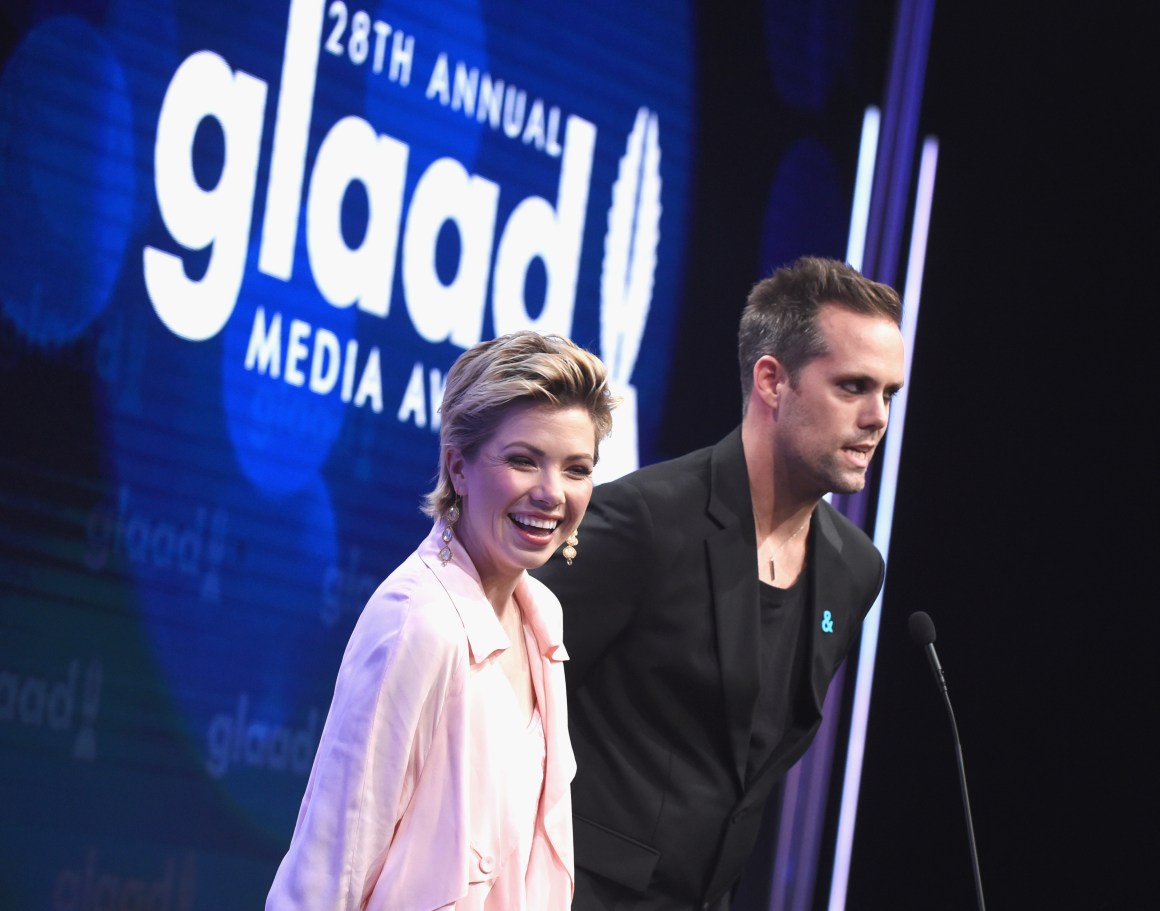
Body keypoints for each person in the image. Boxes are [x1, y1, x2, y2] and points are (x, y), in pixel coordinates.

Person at [533, 256, 906, 910]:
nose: (877, 417)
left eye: (889, 394)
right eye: (853, 387)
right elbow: (511, 702)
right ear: (772, 381)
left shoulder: (854, 572)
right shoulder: (646, 520)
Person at [266, 331, 616, 910]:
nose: (552, 494)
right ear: (458, 467)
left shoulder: (542, 618)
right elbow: (330, 866)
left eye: (576, 469)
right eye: (524, 461)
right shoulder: (417, 623)